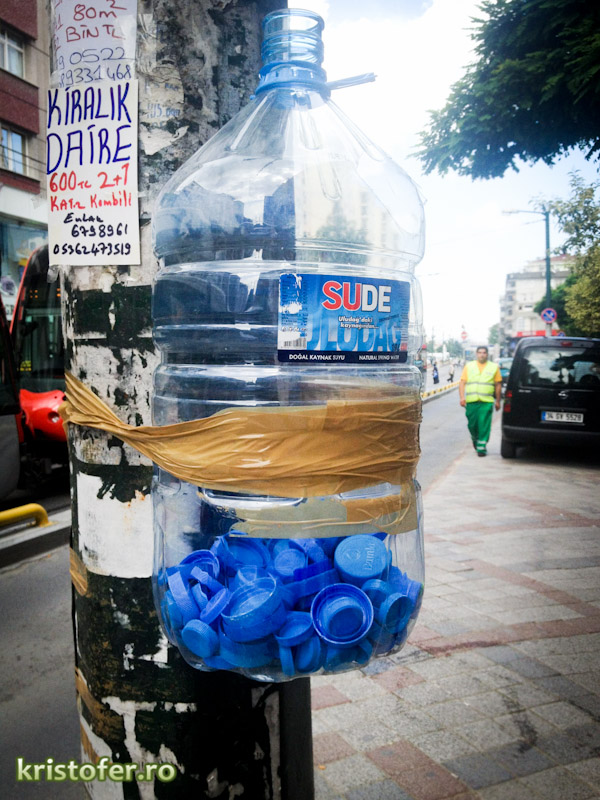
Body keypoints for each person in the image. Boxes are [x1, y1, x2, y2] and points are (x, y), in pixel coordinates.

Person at [459, 346, 502, 457]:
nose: (482, 355)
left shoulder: (494, 367)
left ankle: (481, 447)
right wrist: (462, 397)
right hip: (471, 402)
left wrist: (498, 401)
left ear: (487, 354)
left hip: (486, 402)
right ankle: (475, 439)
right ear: (476, 354)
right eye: (480, 352)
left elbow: (498, 384)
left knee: (484, 424)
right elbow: (462, 382)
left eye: (484, 353)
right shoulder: (469, 366)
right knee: (472, 425)